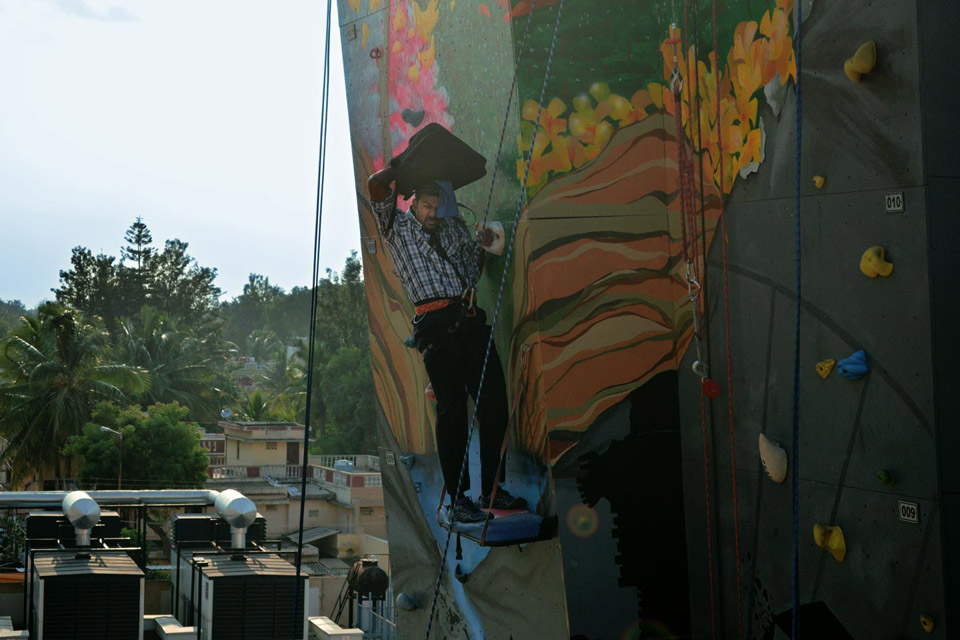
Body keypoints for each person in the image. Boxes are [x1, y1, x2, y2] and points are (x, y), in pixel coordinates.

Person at [367, 163, 526, 523]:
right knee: (452, 409)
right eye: (427, 205)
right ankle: (458, 500)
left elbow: (471, 273)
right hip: (434, 324)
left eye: (439, 206)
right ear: (413, 202)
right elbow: (375, 186)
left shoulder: (454, 228)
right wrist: (406, 163)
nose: (433, 212)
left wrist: (482, 248)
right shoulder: (399, 227)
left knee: (494, 401)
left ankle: (491, 489)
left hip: (468, 318)